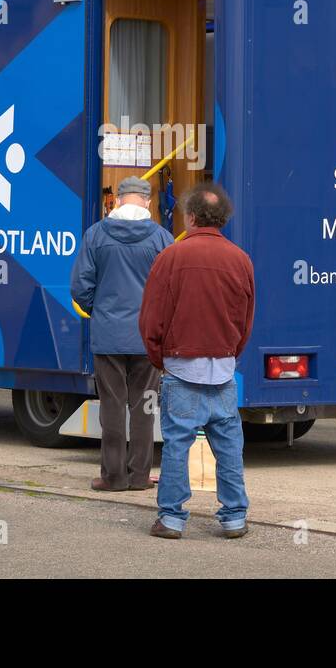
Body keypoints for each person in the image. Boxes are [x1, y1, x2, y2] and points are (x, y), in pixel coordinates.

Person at [139, 182, 254, 539]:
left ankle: (172, 518)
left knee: (177, 444)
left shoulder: (171, 257)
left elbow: (151, 318)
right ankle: (234, 516)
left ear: (189, 216)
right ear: (222, 218)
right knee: (229, 446)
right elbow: (246, 319)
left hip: (179, 365)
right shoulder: (240, 259)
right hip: (221, 368)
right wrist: (231, 353)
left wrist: (159, 358)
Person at [70, 176, 174, 491]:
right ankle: (140, 476)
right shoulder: (162, 239)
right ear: (146, 202)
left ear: (117, 200)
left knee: (112, 406)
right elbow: (172, 288)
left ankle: (112, 477)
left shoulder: (96, 235)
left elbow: (80, 285)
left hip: (108, 337)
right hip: (147, 338)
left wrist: (99, 310)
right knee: (143, 407)